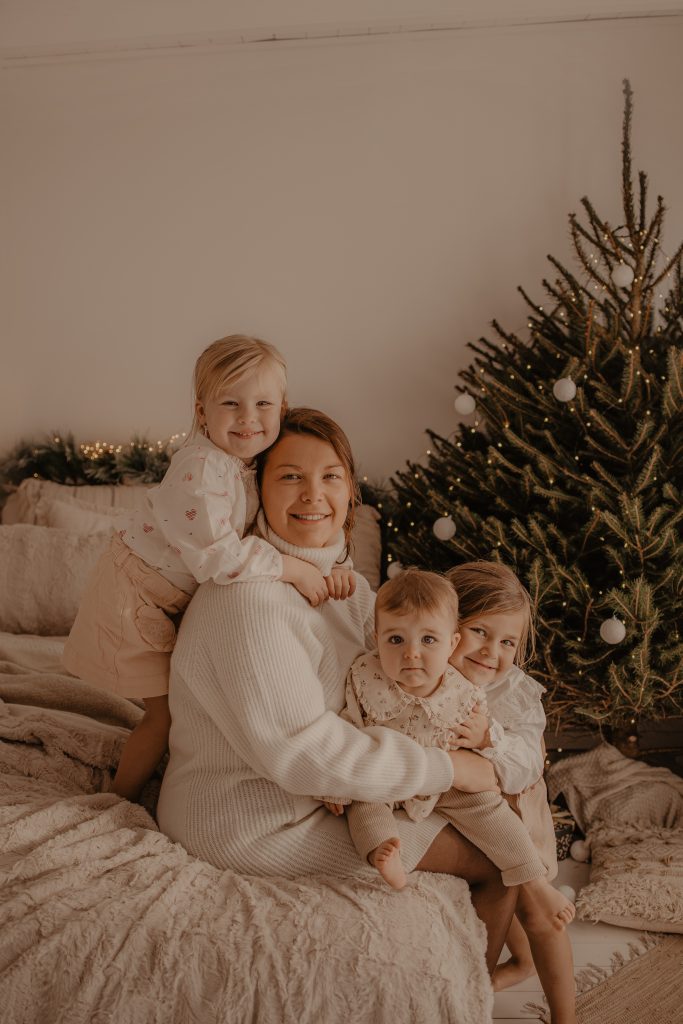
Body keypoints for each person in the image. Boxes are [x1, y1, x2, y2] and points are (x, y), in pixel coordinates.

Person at [157, 408, 523, 977]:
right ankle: (477, 995)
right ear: (256, 490)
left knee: (506, 821)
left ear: (351, 491)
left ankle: (507, 963)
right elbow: (307, 753)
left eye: (330, 476)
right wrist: (448, 768)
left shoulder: (347, 590)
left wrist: (486, 740)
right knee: (499, 862)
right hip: (251, 820)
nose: (313, 494)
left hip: (322, 796)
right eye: (289, 476)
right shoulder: (248, 600)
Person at [63, 336, 352, 801]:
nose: (248, 419)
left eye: (263, 404)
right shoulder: (200, 468)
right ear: (201, 411)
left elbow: (280, 528)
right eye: (230, 404)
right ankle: (118, 800)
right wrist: (294, 571)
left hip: (162, 596)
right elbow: (220, 556)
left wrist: (336, 565)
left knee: (179, 706)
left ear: (282, 407)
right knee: (163, 717)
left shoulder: (251, 462)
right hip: (136, 594)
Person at [319, 568, 573, 950]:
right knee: (365, 807)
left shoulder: (461, 686)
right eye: (396, 639)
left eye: (427, 639)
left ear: (447, 637)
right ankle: (383, 853)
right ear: (377, 637)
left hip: (446, 782)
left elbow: (497, 754)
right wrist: (333, 781)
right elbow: (346, 727)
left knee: (489, 810)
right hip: (383, 776)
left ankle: (535, 881)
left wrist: (487, 738)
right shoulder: (365, 675)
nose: (412, 654)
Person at [447, 560, 576, 1024]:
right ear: (447, 622)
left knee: (539, 915)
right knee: (500, 902)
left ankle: (565, 1015)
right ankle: (517, 965)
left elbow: (527, 767)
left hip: (517, 816)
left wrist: (489, 739)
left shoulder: (517, 693)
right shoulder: (428, 672)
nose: (491, 652)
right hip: (468, 822)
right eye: (480, 630)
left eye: (508, 643)